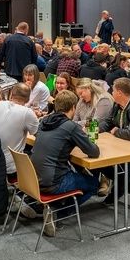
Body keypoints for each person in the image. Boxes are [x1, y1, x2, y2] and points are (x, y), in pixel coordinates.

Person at [31, 90, 101, 236]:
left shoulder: (44, 121)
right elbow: (93, 151)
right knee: (94, 183)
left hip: (34, 179)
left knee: (76, 174)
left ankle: (52, 206)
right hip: (54, 182)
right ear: (73, 108)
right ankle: (57, 212)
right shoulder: (70, 126)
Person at [0, 83, 39, 177]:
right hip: (10, 169)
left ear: (11, 94)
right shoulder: (27, 113)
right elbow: (40, 136)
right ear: (28, 99)